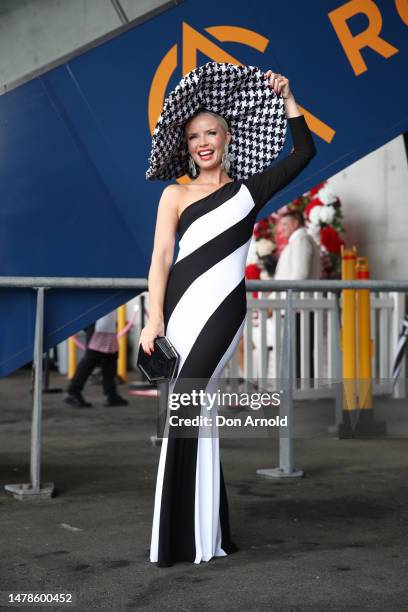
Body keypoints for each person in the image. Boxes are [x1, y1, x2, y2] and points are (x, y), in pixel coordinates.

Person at [140, 62, 317, 567]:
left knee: (187, 406)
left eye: (211, 132)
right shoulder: (172, 194)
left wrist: (288, 97)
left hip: (223, 314)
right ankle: (203, 531)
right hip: (178, 314)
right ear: (187, 144)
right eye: (194, 135)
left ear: (226, 137)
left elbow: (305, 152)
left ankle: (176, 536)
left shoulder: (247, 192)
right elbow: (159, 259)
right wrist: (154, 320)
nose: (202, 142)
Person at [268, 210, 321, 379]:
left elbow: (300, 276)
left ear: (296, 223)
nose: (280, 229)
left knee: (299, 353)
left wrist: (277, 300)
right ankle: (299, 392)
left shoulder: (301, 241)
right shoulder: (297, 241)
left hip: (298, 308)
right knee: (297, 353)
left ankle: (301, 394)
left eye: (284, 224)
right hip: (295, 307)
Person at [64, 311, 129, 407]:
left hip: (104, 319)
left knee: (110, 355)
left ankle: (111, 394)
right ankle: (73, 391)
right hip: (99, 319)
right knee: (92, 356)